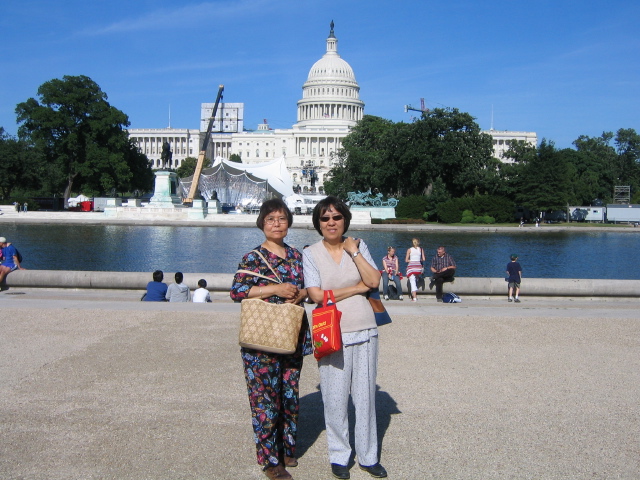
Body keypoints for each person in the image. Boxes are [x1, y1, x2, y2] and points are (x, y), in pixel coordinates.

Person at [303, 196, 387, 480]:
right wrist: (355, 289)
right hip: (330, 331)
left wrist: (354, 252)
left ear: (345, 220)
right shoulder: (311, 253)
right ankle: (339, 454)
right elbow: (315, 294)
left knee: (365, 398)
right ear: (318, 222)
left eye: (336, 217)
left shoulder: (359, 246)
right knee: (334, 397)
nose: (331, 222)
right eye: (325, 218)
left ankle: (368, 455)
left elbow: (374, 281)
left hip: (363, 328)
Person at [230, 198, 312, 480]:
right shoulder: (253, 257)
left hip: (291, 332)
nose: (276, 223)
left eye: (281, 218)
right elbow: (237, 291)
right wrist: (274, 288)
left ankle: (288, 448)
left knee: (289, 394)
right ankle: (270, 460)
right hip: (262, 337)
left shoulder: (297, 256)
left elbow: (309, 289)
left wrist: (301, 293)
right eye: (270, 219)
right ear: (262, 224)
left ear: (288, 223)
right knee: (265, 399)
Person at [405, 238, 425, 302]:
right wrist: (418, 260)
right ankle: (417, 278)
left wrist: (411, 260)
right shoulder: (421, 249)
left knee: (412, 281)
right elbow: (423, 259)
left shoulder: (409, 250)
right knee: (415, 278)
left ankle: (414, 297)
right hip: (418, 267)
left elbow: (406, 260)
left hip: (412, 267)